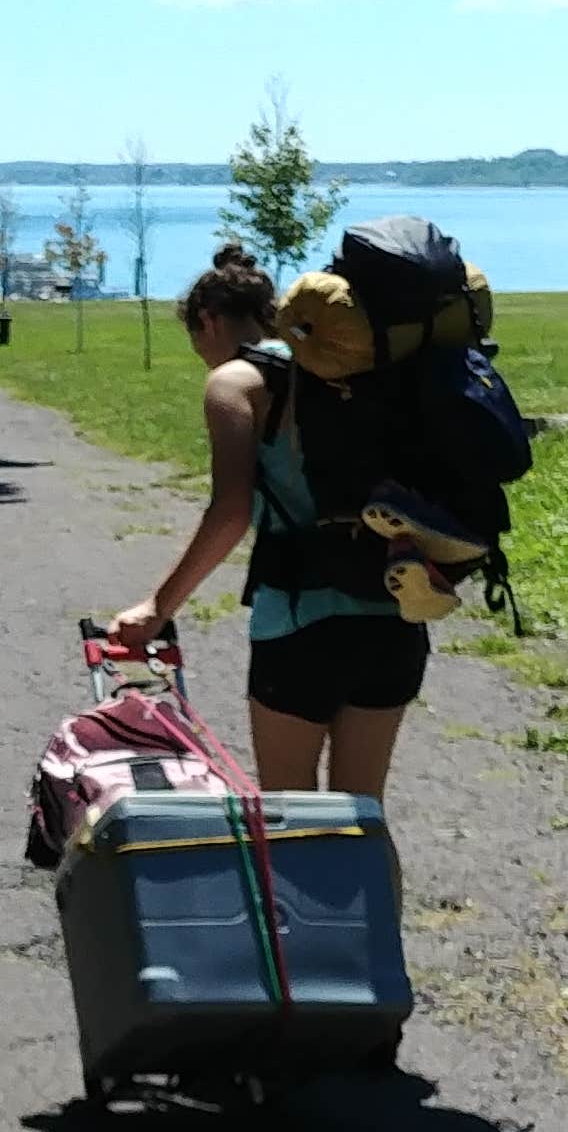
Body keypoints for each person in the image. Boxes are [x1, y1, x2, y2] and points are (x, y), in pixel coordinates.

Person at [103, 245, 429, 799]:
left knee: (290, 810)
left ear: (208, 321)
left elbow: (230, 511)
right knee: (364, 810)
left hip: (300, 624)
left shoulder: (235, 383)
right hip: (393, 610)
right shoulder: (344, 364)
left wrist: (158, 608)